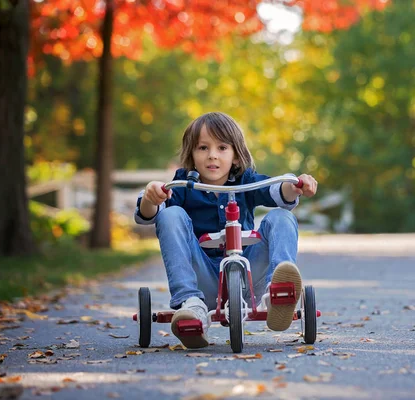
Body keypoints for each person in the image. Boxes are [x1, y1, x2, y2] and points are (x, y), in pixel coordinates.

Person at [134, 112, 318, 349]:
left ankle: (278, 294)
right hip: (204, 281)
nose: (212, 155)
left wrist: (296, 186)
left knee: (282, 217)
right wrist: (151, 196)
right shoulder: (184, 184)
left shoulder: (246, 180)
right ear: (191, 154)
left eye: (222, 147)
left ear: (236, 156)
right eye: (203, 147)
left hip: (250, 281)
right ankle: (190, 305)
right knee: (170, 214)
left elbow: (277, 191)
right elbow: (148, 212)